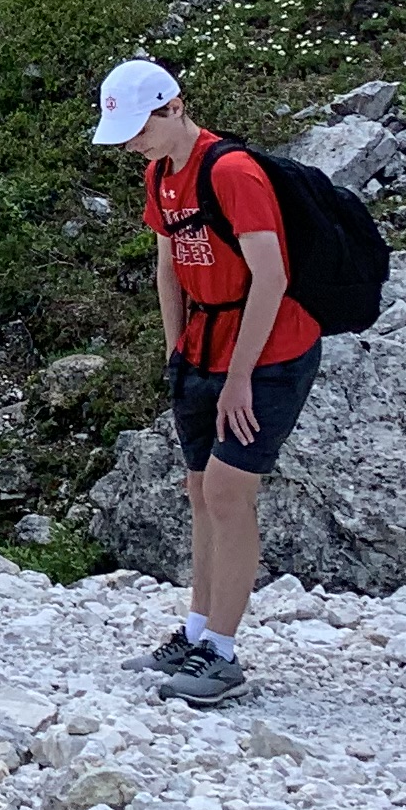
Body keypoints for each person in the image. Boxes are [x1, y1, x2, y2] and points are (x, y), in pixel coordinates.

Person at [95, 56, 323, 707]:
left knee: (227, 491)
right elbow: (170, 265)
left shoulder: (232, 172)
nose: (134, 142)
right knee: (199, 488)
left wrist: (240, 377)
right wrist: (179, 350)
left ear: (174, 107)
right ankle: (197, 631)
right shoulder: (160, 175)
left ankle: (221, 652)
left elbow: (272, 278)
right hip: (204, 347)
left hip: (272, 348)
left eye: (141, 128)